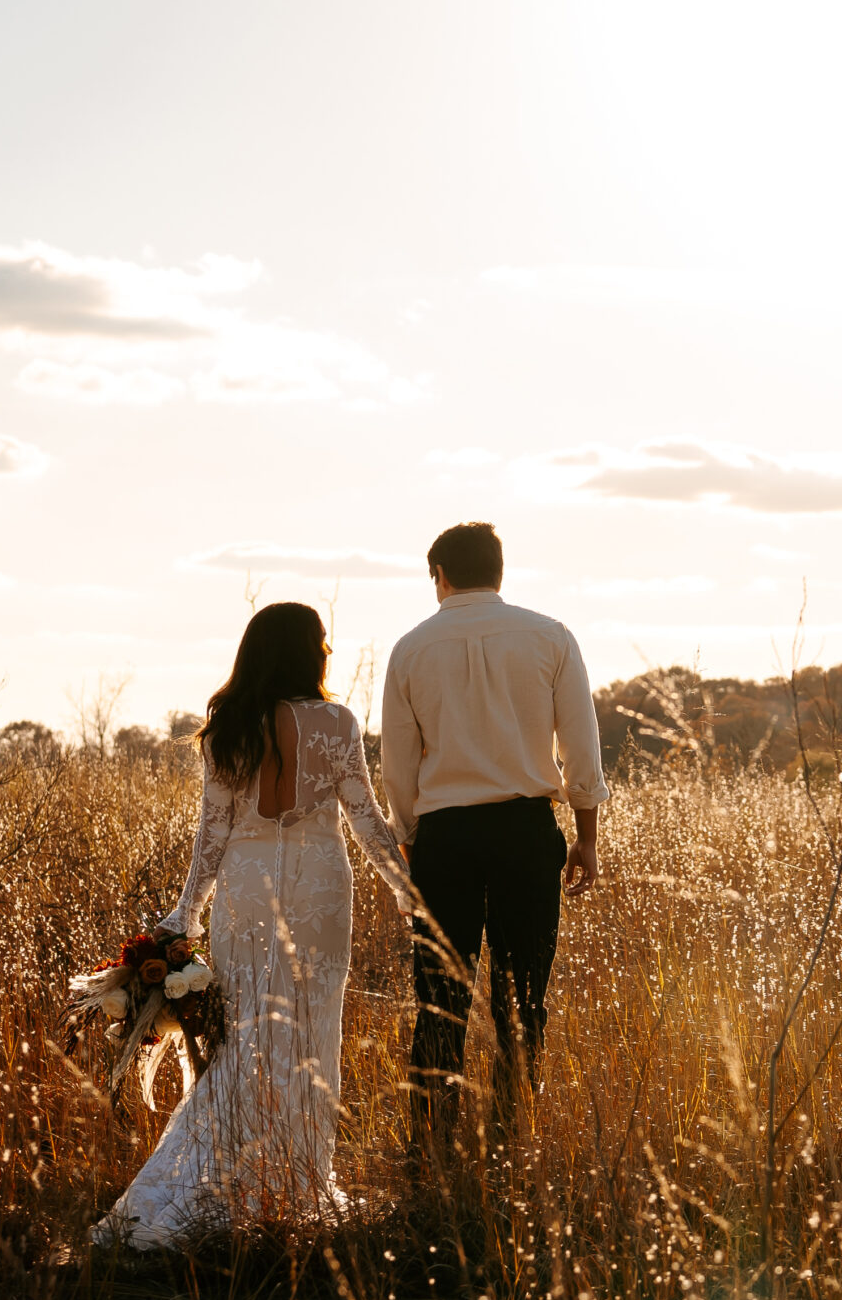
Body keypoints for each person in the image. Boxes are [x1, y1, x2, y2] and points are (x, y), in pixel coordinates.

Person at [94, 601, 415, 1247]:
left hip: (246, 889)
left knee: (243, 1039)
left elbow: (211, 837)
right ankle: (291, 1185)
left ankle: (233, 1183)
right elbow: (367, 821)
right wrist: (411, 893)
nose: (328, 651)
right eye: (321, 641)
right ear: (303, 650)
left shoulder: (228, 728)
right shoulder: (339, 723)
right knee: (308, 1033)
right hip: (322, 888)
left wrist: (186, 913)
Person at [381, 521, 608, 1160]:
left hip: (443, 838)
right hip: (524, 829)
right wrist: (585, 838)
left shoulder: (410, 649)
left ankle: (430, 1147)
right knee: (523, 992)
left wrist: (410, 842)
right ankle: (512, 1140)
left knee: (439, 996)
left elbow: (398, 765)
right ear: (499, 572)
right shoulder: (551, 636)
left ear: (440, 577)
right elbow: (582, 750)